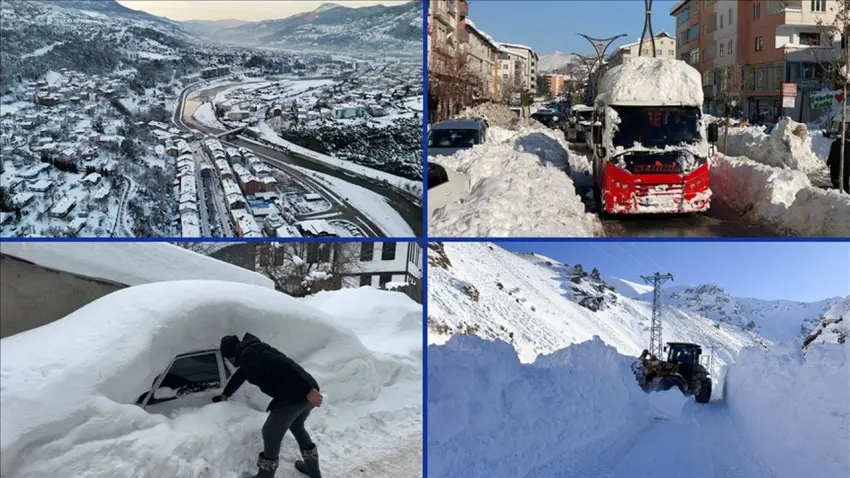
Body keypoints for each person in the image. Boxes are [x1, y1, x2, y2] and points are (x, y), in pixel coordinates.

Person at [214, 333, 324, 478]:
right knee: (297, 426)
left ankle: (265, 475)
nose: (229, 361)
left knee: (270, 432)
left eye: (228, 358)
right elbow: (241, 375)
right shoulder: (248, 356)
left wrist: (308, 390)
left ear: (231, 355)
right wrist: (225, 394)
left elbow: (285, 365)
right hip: (302, 392)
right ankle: (313, 470)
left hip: (295, 395)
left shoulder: (252, 354)